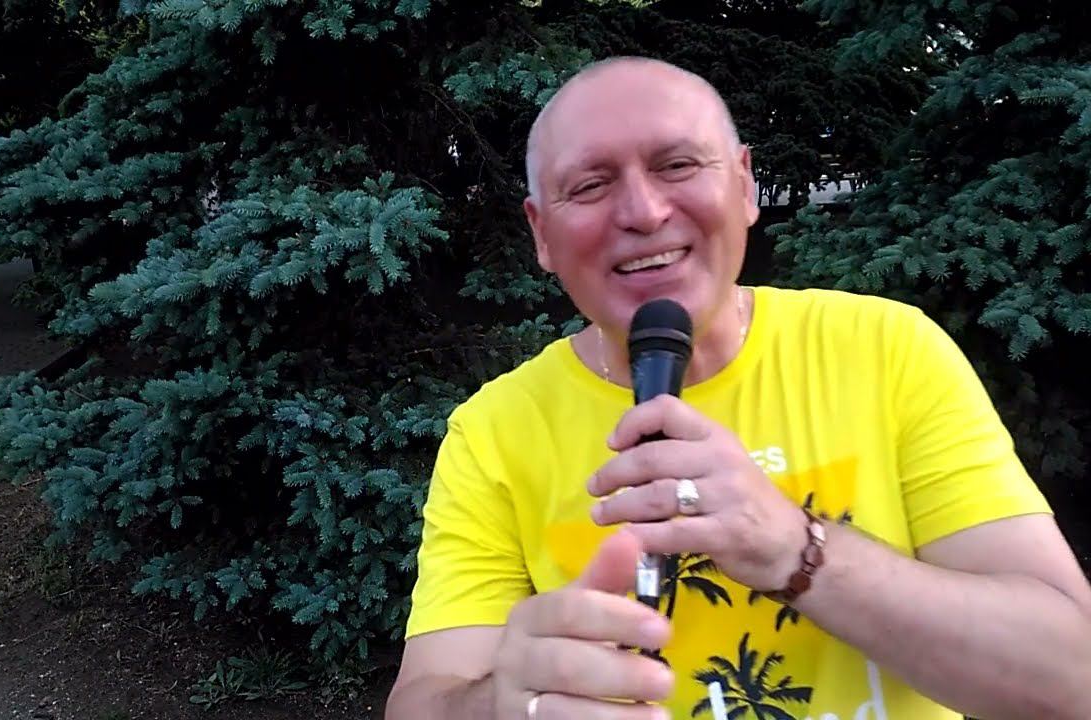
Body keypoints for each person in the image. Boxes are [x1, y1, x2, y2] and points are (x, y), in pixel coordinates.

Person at [384, 56, 1091, 720]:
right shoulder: (494, 431)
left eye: (677, 165)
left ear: (746, 184)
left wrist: (797, 551)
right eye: (591, 185)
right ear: (541, 234)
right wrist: (507, 702)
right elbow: (426, 698)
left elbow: (1072, 677)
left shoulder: (885, 349)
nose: (644, 212)